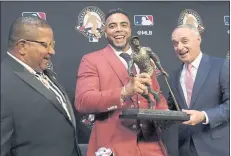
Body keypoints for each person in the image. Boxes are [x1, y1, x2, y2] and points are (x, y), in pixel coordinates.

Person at [75, 8, 177, 156]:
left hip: (151, 145)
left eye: (123, 25)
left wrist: (165, 113)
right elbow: (83, 101)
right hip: (114, 145)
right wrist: (124, 92)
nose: (119, 29)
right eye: (112, 26)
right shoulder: (91, 60)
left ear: (130, 29)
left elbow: (157, 95)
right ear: (104, 31)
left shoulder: (144, 58)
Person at [1, 16, 82, 156]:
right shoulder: (4, 82)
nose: (52, 51)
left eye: (53, 45)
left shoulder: (43, 73)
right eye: (46, 45)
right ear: (22, 47)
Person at [168, 24, 229, 156]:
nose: (179, 47)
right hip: (185, 148)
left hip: (216, 148)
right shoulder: (174, 76)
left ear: (198, 39)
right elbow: (171, 109)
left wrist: (204, 116)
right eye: (175, 43)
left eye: (184, 41)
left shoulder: (221, 66)